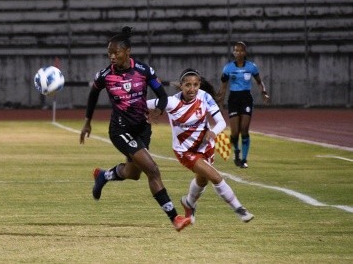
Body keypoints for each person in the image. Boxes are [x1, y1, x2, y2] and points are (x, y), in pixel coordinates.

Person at [79, 26, 191, 232]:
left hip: (142, 128)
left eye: (116, 52)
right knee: (152, 170)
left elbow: (163, 96)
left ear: (127, 51)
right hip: (119, 129)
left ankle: (104, 176)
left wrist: (157, 110)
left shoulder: (143, 70)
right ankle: (175, 218)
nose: (112, 56)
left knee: (133, 173)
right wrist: (87, 121)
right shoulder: (104, 75)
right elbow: (93, 95)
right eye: (109, 53)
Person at [147, 68, 255, 224]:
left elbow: (221, 122)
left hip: (206, 146)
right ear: (181, 86)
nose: (192, 89)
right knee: (215, 177)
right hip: (185, 151)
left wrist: (213, 132)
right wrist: (146, 114)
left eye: (196, 85)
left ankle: (188, 203)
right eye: (188, 85)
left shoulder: (204, 97)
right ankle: (240, 210)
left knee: (202, 180)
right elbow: (142, 104)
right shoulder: (171, 102)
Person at [216, 41, 270, 168]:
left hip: (246, 98)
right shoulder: (228, 68)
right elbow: (223, 86)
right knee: (235, 133)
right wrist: (221, 102)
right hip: (234, 99)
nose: (239, 53)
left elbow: (259, 81)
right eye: (236, 50)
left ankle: (244, 160)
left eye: (241, 50)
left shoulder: (251, 67)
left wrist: (264, 92)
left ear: (245, 52)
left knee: (244, 129)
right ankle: (236, 152)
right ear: (234, 52)